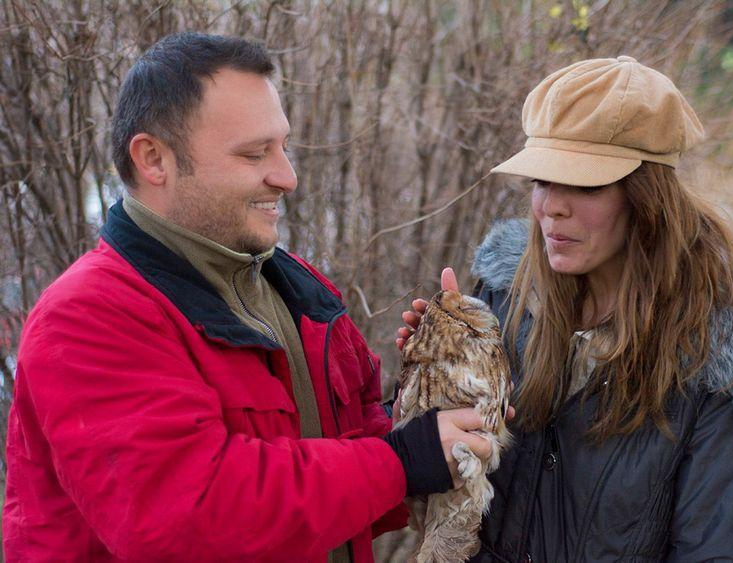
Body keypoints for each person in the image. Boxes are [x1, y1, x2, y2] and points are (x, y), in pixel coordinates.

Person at [3, 32, 497, 562]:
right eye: (253, 153)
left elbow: (355, 477)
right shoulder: (86, 318)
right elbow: (189, 520)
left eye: (283, 147)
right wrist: (402, 459)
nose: (287, 176)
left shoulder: (295, 290)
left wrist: (442, 409)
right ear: (153, 159)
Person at [398, 56, 733, 562]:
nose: (552, 207)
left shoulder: (719, 362)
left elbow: (713, 549)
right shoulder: (506, 298)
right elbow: (453, 491)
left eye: (585, 185)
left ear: (647, 200)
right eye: (542, 181)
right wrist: (432, 377)